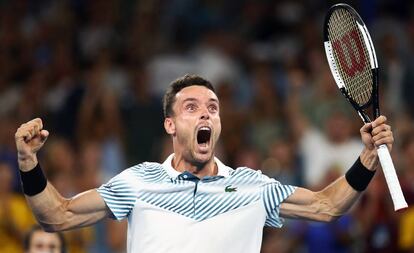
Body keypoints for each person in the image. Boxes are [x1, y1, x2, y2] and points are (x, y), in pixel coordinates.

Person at [15, 74, 394, 253]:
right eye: (191, 108)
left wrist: (367, 159)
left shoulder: (253, 186)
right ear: (170, 124)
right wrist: (29, 163)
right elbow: (58, 216)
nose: (205, 116)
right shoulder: (138, 181)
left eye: (212, 109)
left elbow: (327, 206)